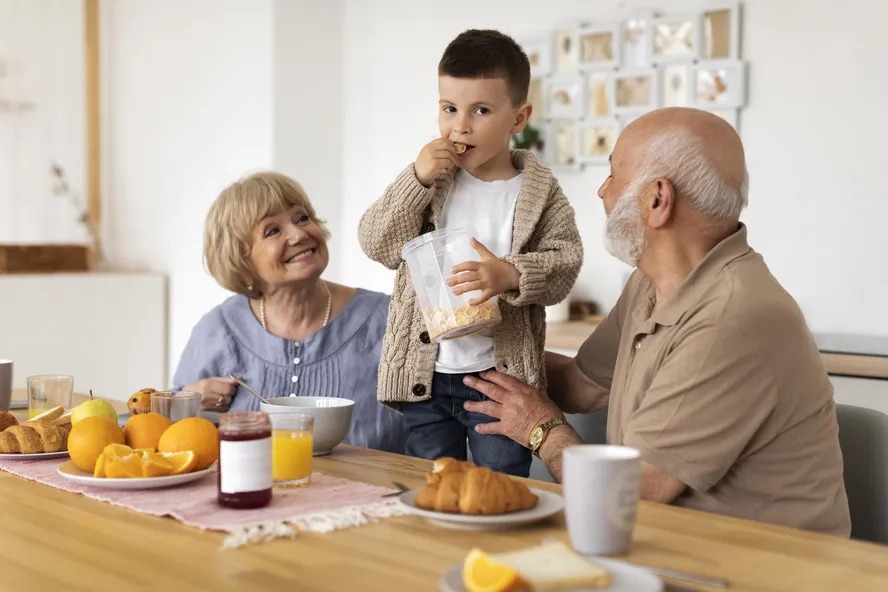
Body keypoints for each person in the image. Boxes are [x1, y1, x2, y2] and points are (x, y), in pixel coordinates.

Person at [461, 107, 852, 536]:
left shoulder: (730, 320)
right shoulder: (650, 283)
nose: (601, 192)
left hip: (760, 572)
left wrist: (540, 429)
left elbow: (632, 493)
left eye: (612, 175)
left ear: (657, 200)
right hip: (669, 551)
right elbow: (585, 384)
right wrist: (473, 354)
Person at [358, 29, 583, 477]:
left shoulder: (538, 192)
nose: (460, 126)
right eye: (449, 109)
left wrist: (511, 274)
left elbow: (566, 262)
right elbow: (376, 242)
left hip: (498, 382)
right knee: (433, 485)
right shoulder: (432, 182)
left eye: (481, 110)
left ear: (519, 118)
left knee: (500, 487)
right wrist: (414, 180)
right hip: (428, 377)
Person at [172, 171, 405, 453]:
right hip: (256, 493)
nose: (298, 234)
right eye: (272, 231)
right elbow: (171, 436)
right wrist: (189, 402)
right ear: (241, 260)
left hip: (380, 494)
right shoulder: (218, 330)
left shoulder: (389, 318)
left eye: (301, 218)